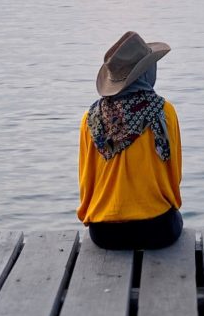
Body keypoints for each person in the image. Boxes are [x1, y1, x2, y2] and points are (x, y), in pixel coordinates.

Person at [78, 31, 183, 250]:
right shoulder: (164, 111)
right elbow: (174, 173)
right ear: (146, 72)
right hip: (157, 229)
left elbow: (86, 180)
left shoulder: (90, 118)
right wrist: (170, 206)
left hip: (104, 233)